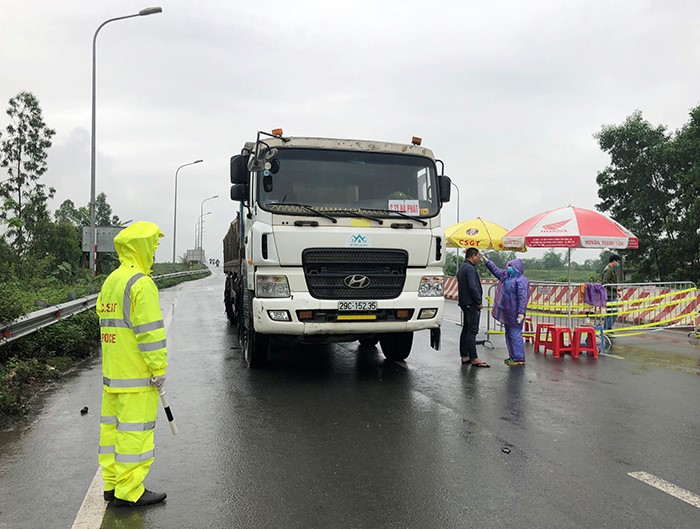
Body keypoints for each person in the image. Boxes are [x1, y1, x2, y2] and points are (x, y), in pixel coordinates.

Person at [97, 221, 168, 507]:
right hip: (138, 378)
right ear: (141, 247)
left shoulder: (112, 280)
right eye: (152, 245)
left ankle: (112, 485)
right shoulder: (141, 283)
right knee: (134, 435)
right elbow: (150, 333)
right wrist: (159, 369)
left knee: (112, 432)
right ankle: (130, 492)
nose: (154, 251)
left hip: (113, 375)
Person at [484, 257, 530, 366]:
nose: (509, 268)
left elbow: (522, 297)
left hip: (515, 312)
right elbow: (496, 271)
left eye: (511, 266)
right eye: (508, 266)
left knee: (515, 334)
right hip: (507, 311)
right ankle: (513, 356)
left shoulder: (521, 280)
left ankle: (519, 357)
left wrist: (521, 312)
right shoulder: (506, 276)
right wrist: (487, 261)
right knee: (509, 334)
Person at [457, 248, 489, 367]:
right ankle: (473, 357)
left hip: (465, 302)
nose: (479, 259)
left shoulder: (462, 267)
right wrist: (478, 301)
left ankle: (464, 355)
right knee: (472, 330)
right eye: (478, 257)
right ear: (473, 256)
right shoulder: (470, 269)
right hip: (471, 303)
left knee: (466, 329)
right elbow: (472, 286)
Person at [601, 254, 622, 330]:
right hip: (609, 295)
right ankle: (607, 329)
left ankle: (607, 328)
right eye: (618, 262)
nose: (618, 264)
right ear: (614, 261)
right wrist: (615, 289)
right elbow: (605, 282)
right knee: (614, 313)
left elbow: (610, 282)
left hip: (611, 294)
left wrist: (616, 289)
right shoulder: (608, 270)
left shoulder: (611, 269)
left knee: (610, 313)